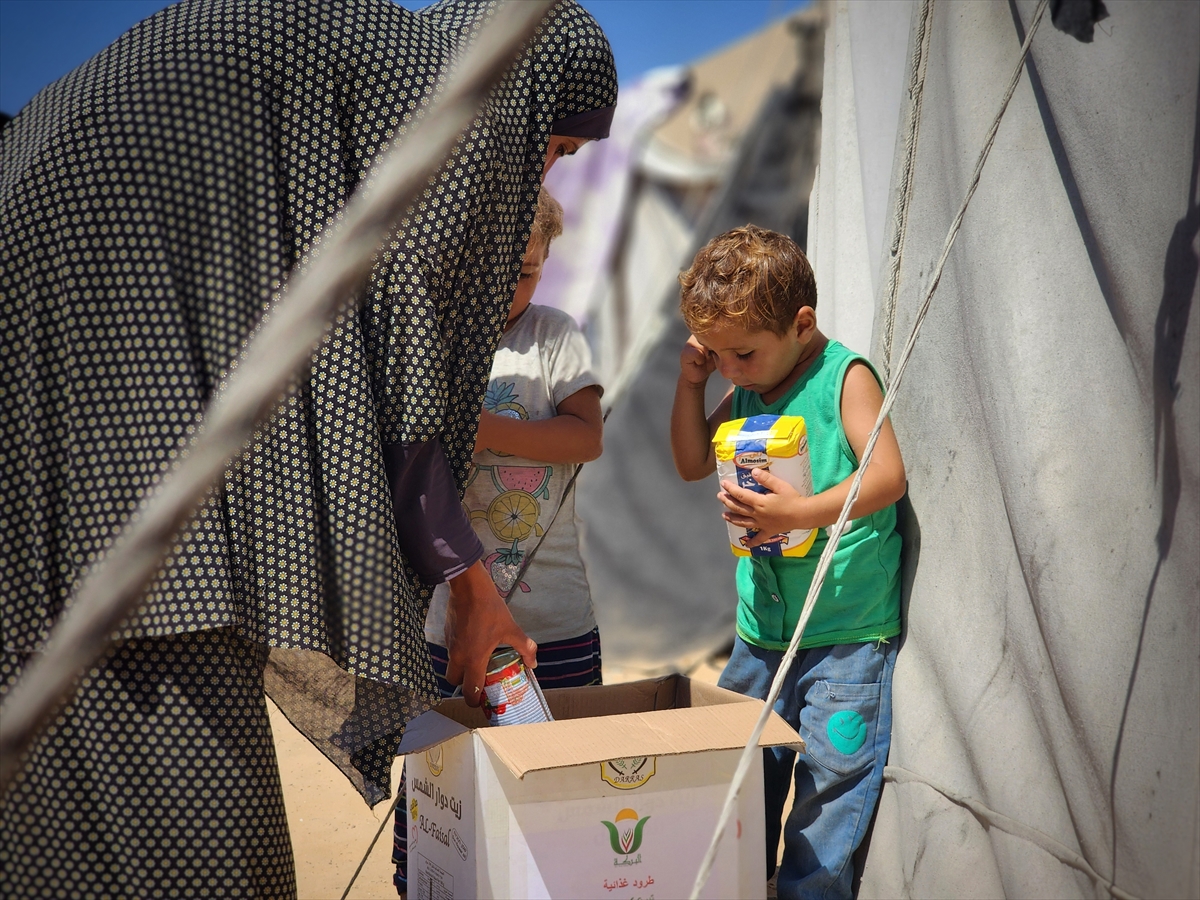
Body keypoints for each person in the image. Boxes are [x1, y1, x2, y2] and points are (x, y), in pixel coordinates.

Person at [0, 0, 616, 896]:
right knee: (187, 818)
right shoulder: (426, 113)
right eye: (552, 148)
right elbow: (399, 396)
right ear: (515, 101)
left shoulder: (351, 80)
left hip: (64, 392)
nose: (537, 176)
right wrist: (476, 596)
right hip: (108, 450)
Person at [669, 225, 905, 900]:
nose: (730, 368)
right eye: (716, 355)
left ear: (802, 324)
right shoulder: (746, 386)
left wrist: (794, 515)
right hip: (761, 636)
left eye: (741, 352)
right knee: (741, 778)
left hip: (844, 638)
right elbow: (691, 464)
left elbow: (887, 477)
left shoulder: (844, 378)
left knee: (829, 790)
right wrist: (690, 384)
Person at [392, 185, 604, 895]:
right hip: (449, 624)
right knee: (441, 789)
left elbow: (586, 436)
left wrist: (481, 430)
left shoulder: (554, 336)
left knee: (562, 788)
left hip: (557, 622)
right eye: (502, 270)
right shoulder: (434, 338)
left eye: (531, 271)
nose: (516, 286)